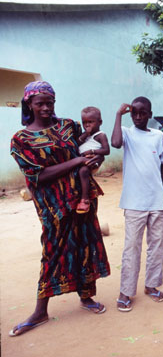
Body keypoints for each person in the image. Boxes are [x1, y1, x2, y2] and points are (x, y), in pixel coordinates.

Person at [9, 81, 110, 336]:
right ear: (29, 104)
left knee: (86, 245)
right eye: (39, 103)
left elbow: (86, 149)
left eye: (49, 102)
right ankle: (40, 310)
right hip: (53, 206)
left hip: (82, 198)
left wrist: (94, 158)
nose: (45, 107)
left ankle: (86, 297)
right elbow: (38, 176)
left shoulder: (68, 126)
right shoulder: (21, 140)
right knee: (52, 253)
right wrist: (77, 161)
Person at [111, 97, 163, 312]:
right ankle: (125, 291)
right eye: (134, 112)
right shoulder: (126, 132)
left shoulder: (158, 136)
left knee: (157, 246)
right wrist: (118, 114)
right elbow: (115, 143)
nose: (137, 116)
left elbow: (161, 169)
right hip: (134, 202)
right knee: (131, 247)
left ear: (150, 114)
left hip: (156, 201)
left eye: (142, 113)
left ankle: (152, 285)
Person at [76, 106, 110, 213]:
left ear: (100, 122)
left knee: (83, 171)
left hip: (92, 161)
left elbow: (106, 150)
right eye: (84, 122)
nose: (87, 125)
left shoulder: (100, 135)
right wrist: (86, 134)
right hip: (81, 160)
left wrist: (91, 151)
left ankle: (85, 199)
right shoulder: (85, 135)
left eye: (91, 122)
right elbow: (77, 143)